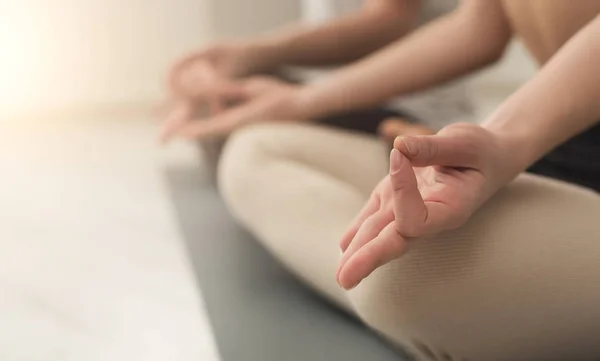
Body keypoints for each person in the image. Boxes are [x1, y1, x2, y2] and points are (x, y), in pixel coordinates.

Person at [165, 1, 600, 360]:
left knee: (403, 277)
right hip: (555, 148)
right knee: (258, 148)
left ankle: (413, 303)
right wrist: (296, 101)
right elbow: (480, 25)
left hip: (551, 154)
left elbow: (391, 16)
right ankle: (411, 304)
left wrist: (505, 137)